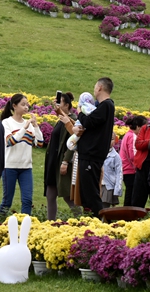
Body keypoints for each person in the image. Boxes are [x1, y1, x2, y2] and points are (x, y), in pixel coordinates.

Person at [71, 78, 116, 214]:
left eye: (95, 86)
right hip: (89, 154)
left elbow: (89, 122)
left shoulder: (106, 105)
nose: (94, 89)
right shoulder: (102, 106)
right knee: (85, 192)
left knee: (91, 193)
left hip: (92, 155)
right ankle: (90, 219)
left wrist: (79, 111)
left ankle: (100, 221)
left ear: (100, 88)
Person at [0, 93, 44, 215]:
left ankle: (25, 225)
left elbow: (39, 144)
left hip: (26, 168)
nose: (26, 107)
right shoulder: (6, 123)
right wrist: (24, 128)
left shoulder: (29, 124)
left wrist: (35, 126)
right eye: (23, 104)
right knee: (7, 201)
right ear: (14, 106)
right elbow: (10, 141)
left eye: (27, 105)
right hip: (10, 167)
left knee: (27, 200)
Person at [45, 92, 76, 220]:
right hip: (53, 161)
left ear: (67, 105)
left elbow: (73, 142)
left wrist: (65, 161)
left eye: (60, 102)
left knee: (67, 194)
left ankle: (83, 218)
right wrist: (56, 108)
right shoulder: (62, 118)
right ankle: (50, 223)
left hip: (61, 162)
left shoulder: (72, 120)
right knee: (50, 194)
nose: (58, 105)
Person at [119, 115, 145, 207]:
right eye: (143, 128)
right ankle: (128, 215)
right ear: (138, 126)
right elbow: (133, 156)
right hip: (131, 169)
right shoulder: (133, 136)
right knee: (131, 194)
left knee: (129, 193)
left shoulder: (128, 134)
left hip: (126, 168)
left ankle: (127, 214)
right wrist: (139, 167)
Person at [102, 137, 123, 207]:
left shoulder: (116, 156)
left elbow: (119, 173)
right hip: (98, 184)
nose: (109, 141)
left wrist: (117, 189)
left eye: (112, 139)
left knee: (105, 206)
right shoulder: (98, 153)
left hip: (108, 185)